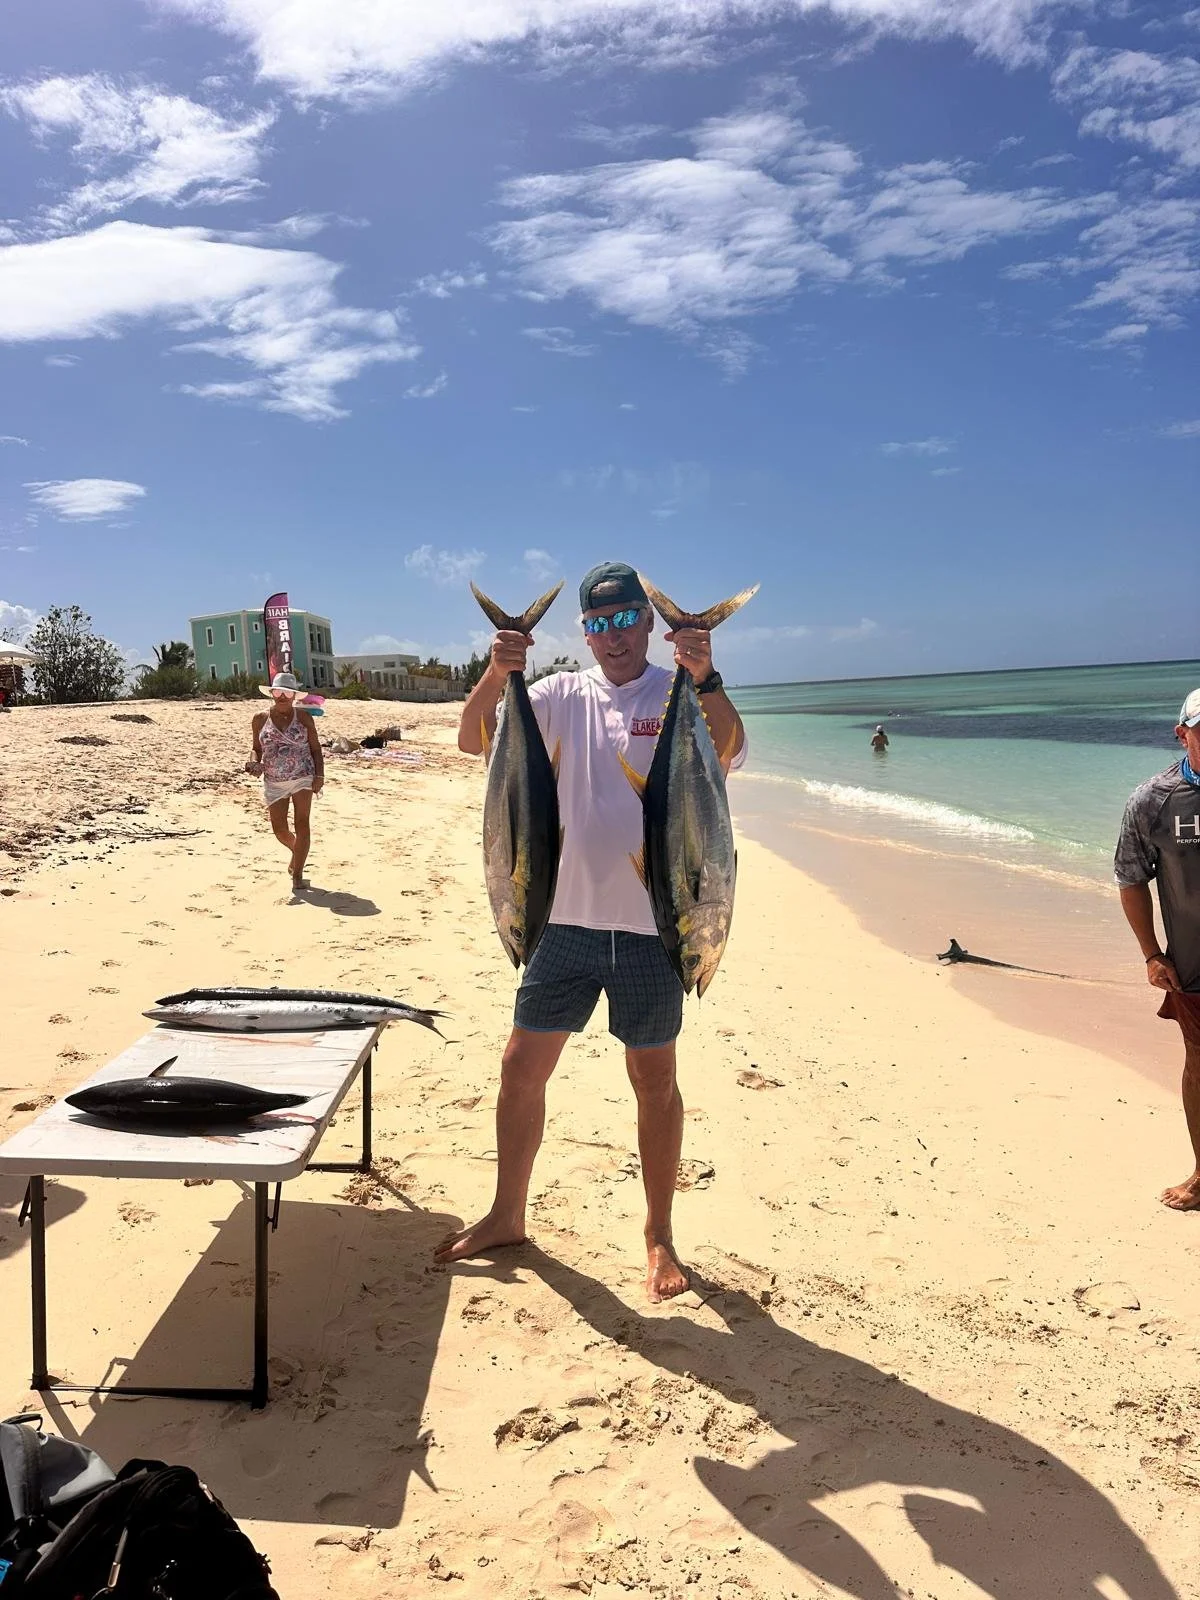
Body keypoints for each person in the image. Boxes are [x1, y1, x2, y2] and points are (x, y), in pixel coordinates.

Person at [438, 561, 747, 1300]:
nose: (614, 635)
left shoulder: (676, 694)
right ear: (584, 633)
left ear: (648, 622)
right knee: (521, 1068)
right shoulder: (557, 695)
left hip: (655, 929)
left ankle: (659, 1234)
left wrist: (705, 677)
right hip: (561, 921)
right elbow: (472, 739)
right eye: (599, 624)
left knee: (655, 1082)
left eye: (626, 619)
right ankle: (507, 1213)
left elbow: (730, 749)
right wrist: (498, 671)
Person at [1115, 686, 1200, 1209]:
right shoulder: (1152, 801)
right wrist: (1151, 954)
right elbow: (1130, 879)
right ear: (1182, 734)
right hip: (1193, 966)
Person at [245, 671, 324, 891]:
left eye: (287, 693)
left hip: (302, 776)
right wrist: (253, 762)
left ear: (294, 696)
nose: (282, 697)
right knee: (279, 830)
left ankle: (297, 874)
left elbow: (316, 749)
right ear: (272, 693)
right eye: (278, 692)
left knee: (302, 823)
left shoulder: (304, 718)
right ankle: (297, 853)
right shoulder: (260, 719)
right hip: (274, 781)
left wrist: (320, 775)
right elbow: (256, 748)